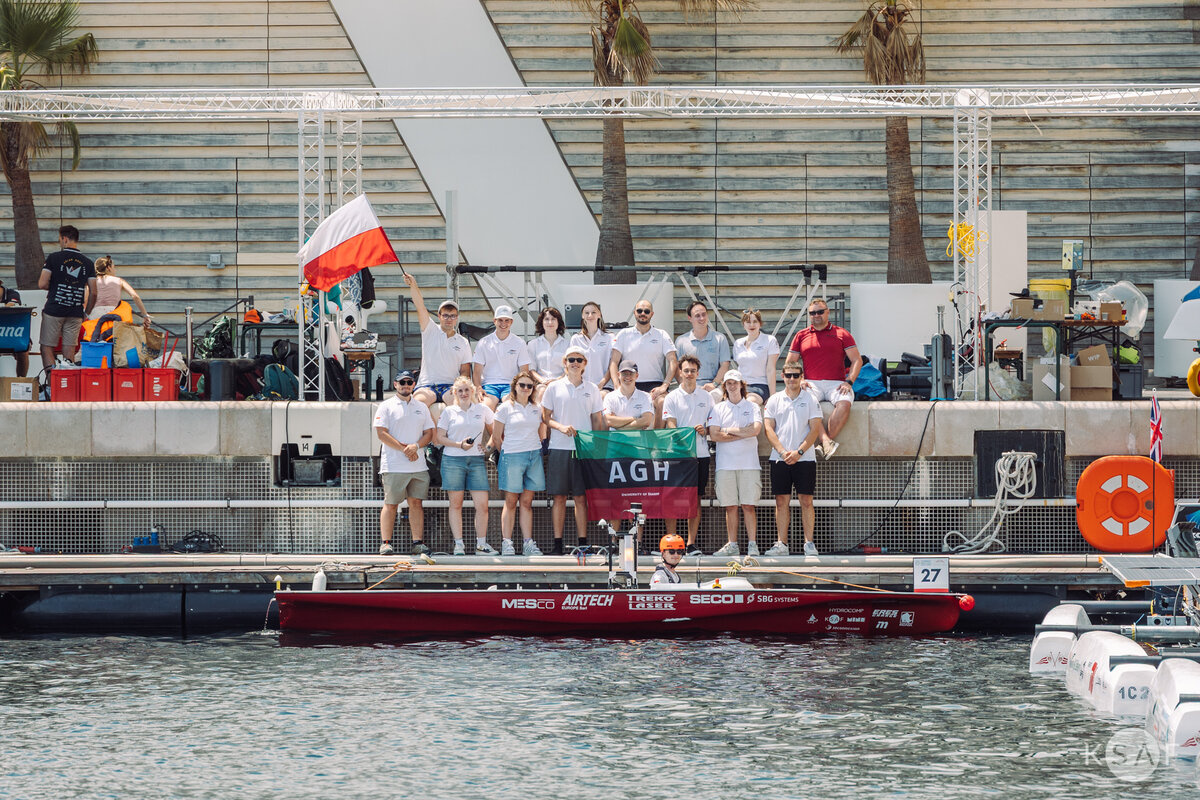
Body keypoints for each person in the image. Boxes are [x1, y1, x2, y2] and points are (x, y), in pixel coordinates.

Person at [542, 345, 605, 555]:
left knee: (580, 498)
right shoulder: (553, 387)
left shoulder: (592, 389)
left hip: (583, 449)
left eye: (579, 360)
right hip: (559, 447)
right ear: (565, 363)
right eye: (571, 360)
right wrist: (560, 427)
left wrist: (595, 446)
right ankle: (557, 545)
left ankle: (583, 545)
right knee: (559, 497)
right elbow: (545, 417)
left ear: (585, 363)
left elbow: (597, 420)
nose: (575, 363)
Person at [785, 298, 861, 458]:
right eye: (812, 313)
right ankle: (826, 442)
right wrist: (800, 380)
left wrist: (849, 381)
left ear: (828, 312)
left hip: (837, 383)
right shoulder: (801, 335)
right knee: (806, 402)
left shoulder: (842, 333)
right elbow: (790, 363)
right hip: (810, 383)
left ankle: (825, 441)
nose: (816, 315)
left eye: (820, 312)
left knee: (845, 403)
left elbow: (857, 360)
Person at [763, 363, 824, 557]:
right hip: (779, 459)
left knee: (806, 501)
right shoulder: (774, 400)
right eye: (788, 375)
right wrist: (782, 452)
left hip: (805, 459)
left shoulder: (811, 399)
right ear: (782, 375)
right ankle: (782, 544)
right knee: (781, 502)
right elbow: (768, 428)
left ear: (801, 376)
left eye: (795, 375)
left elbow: (815, 429)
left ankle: (809, 543)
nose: (791, 379)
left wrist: (799, 452)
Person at [374, 370, 435, 556]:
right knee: (391, 503)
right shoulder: (385, 406)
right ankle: (386, 543)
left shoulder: (422, 407)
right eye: (402, 382)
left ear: (414, 385)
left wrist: (416, 446)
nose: (406, 385)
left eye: (409, 382)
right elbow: (381, 433)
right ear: (395, 384)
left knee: (416, 503)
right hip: (394, 465)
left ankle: (418, 543)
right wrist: (406, 450)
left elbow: (429, 433)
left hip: (418, 466)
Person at [435, 375, 496, 556]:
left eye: (467, 390)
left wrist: (487, 448)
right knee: (456, 504)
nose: (464, 393)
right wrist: (459, 445)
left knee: (482, 505)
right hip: (453, 460)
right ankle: (459, 545)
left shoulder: (482, 409)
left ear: (473, 391)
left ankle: (481, 545)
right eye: (460, 390)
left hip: (476, 460)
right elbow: (439, 437)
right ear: (455, 393)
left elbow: (496, 432)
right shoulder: (449, 412)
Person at [662, 354, 714, 556]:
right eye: (686, 371)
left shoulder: (707, 397)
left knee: (695, 499)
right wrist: (684, 441)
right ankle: (672, 543)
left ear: (698, 373)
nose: (689, 374)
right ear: (680, 373)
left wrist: (705, 430)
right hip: (678, 456)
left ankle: (691, 544)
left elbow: (713, 427)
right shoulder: (672, 397)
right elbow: (671, 426)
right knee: (672, 499)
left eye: (693, 371)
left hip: (700, 456)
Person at [491, 370, 547, 556]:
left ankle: (528, 544)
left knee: (527, 502)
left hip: (534, 456)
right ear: (514, 386)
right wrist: (508, 453)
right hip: (512, 456)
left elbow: (542, 434)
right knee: (510, 501)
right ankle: (507, 543)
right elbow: (496, 437)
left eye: (529, 386)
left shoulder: (537, 408)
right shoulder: (505, 408)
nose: (525, 388)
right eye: (522, 385)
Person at [708, 370, 763, 558]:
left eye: (735, 382)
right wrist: (743, 432)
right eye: (729, 383)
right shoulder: (718, 408)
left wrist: (730, 430)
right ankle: (732, 544)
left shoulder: (752, 406)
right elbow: (714, 435)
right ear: (725, 386)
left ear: (741, 385)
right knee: (730, 507)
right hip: (725, 465)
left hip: (749, 465)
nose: (732, 386)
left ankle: (752, 545)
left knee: (748, 506)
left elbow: (755, 430)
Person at [403, 272, 472, 410]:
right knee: (416, 407)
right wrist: (413, 285)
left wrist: (458, 386)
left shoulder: (463, 342)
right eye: (445, 315)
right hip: (427, 386)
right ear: (439, 316)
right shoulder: (430, 330)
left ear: (457, 318)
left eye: (452, 316)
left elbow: (465, 371)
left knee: (462, 407)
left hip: (451, 387)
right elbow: (420, 306)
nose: (449, 319)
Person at [610, 299, 676, 426]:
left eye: (646, 311)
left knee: (663, 402)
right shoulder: (623, 334)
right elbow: (614, 361)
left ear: (652, 314)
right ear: (635, 313)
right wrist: (616, 384)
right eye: (639, 311)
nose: (643, 313)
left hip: (654, 384)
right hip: (629, 382)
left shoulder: (661, 335)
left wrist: (665, 385)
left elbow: (673, 361)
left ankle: (657, 438)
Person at [38, 225, 96, 369]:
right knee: (69, 349)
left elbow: (42, 283)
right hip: (75, 312)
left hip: (54, 310)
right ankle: (67, 381)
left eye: (59, 239)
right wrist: (86, 313)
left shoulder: (53, 258)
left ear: (64, 239)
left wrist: (56, 286)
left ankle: (52, 381)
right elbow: (94, 292)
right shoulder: (88, 263)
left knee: (47, 347)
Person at [473, 304, 531, 411]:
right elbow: (477, 371)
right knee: (484, 409)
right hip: (489, 385)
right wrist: (478, 388)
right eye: (500, 320)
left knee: (510, 408)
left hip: (511, 385)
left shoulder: (519, 343)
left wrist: (520, 388)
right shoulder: (483, 342)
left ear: (511, 322)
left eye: (507, 320)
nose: (503, 323)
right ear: (494, 321)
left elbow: (524, 371)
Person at [674, 300, 730, 395]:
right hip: (688, 385)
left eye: (704, 314)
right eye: (697, 316)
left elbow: (725, 365)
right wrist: (686, 385)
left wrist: (714, 384)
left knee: (714, 397)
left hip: (714, 386)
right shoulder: (681, 341)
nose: (702, 318)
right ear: (690, 318)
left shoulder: (720, 338)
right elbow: (676, 367)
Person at [734, 308, 780, 405]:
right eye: (748, 322)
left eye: (755, 321)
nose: (751, 325)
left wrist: (772, 396)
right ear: (744, 325)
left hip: (760, 386)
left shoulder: (769, 340)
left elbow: (771, 369)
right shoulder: (738, 343)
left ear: (760, 324)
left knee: (748, 403)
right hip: (740, 385)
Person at [89, 256, 151, 325]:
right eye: (114, 267)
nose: (115, 270)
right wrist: (145, 315)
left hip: (96, 313)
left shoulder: (92, 282)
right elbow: (135, 296)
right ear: (108, 268)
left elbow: (86, 298)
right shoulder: (119, 280)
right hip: (114, 314)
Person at [569, 301, 613, 392]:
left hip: (604, 386)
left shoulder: (609, 338)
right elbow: (572, 365)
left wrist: (600, 385)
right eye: (587, 313)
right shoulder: (576, 339)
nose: (590, 315)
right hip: (581, 385)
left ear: (599, 315)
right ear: (582, 316)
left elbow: (612, 365)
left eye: (593, 312)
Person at [527, 306, 569, 402]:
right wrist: (543, 381)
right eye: (546, 319)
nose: (550, 322)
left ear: (558, 322)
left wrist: (557, 380)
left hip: (561, 382)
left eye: (553, 319)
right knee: (542, 392)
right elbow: (531, 369)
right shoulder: (533, 344)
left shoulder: (567, 344)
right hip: (540, 383)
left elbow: (569, 368)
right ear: (542, 322)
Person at [602, 360, 654, 430]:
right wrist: (634, 419)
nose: (628, 377)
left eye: (631, 374)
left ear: (637, 376)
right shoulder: (609, 397)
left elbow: (646, 421)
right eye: (624, 374)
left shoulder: (645, 396)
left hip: (637, 438)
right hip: (615, 437)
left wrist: (619, 426)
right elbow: (608, 421)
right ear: (618, 375)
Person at [0, 276, 29, 377]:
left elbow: (12, 304)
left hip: (13, 332)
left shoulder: (12, 293)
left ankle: (21, 380)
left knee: (23, 350)